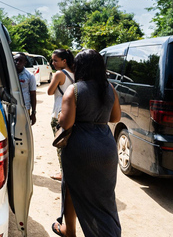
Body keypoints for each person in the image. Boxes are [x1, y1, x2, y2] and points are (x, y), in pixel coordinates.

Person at [52, 49, 121, 237]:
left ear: (79, 67)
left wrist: (60, 116)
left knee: (71, 187)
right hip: (106, 148)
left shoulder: (74, 90)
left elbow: (66, 124)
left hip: (80, 148)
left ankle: (70, 231)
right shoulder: (110, 88)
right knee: (104, 195)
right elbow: (115, 118)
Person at [47, 49, 75, 181]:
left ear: (64, 61)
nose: (53, 63)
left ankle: (63, 173)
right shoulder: (76, 73)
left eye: (55, 60)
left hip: (59, 112)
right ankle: (71, 171)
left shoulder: (59, 74)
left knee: (60, 144)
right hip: (72, 113)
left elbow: (50, 91)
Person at [14, 52, 37, 125]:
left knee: (24, 129)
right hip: (12, 107)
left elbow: (33, 94)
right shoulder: (9, 74)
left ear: (25, 63)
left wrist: (33, 113)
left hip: (24, 108)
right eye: (16, 60)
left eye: (21, 61)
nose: (18, 62)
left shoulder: (30, 76)